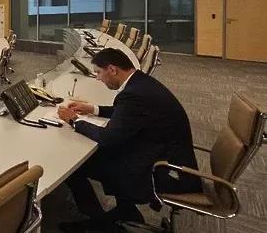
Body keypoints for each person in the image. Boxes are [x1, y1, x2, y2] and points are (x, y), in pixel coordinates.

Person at [56, 48, 200, 232]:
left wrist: (74, 121)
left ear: (112, 69)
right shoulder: (140, 83)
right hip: (165, 156)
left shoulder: (133, 95)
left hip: (161, 171)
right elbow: (126, 113)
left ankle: (100, 224)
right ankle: (125, 210)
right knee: (107, 153)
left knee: (78, 167)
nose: (98, 78)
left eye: (99, 72)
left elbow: (108, 138)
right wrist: (93, 109)